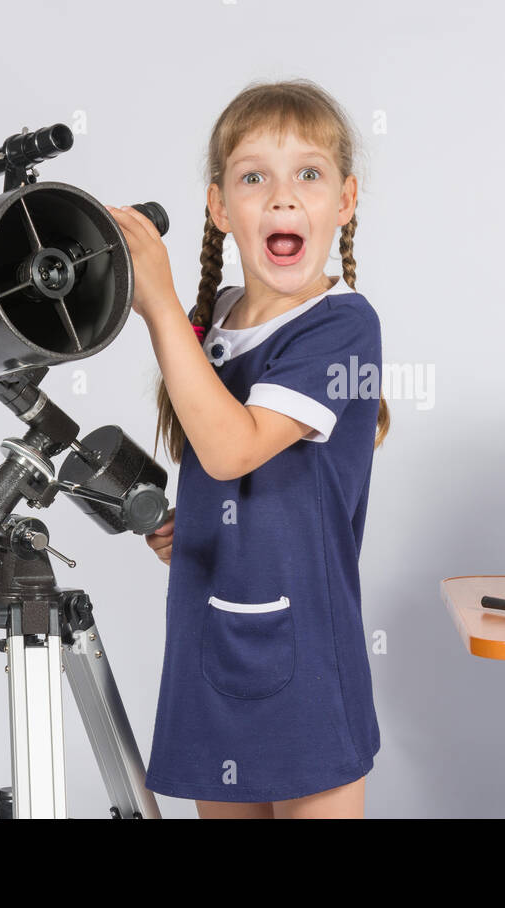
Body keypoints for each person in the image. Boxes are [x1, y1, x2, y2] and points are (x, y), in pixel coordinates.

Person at [109, 79, 389, 818]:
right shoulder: (218, 318)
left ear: (346, 201)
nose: (282, 197)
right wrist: (195, 524)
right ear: (219, 207)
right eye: (253, 176)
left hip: (303, 650)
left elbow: (235, 450)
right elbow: (215, 465)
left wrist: (160, 306)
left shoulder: (342, 328)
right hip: (210, 634)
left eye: (308, 174)